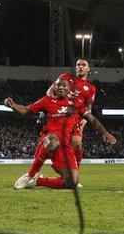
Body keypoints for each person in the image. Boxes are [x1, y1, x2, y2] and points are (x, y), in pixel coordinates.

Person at [4, 76, 116, 189]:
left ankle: (38, 181)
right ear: (54, 88)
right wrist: (13, 105)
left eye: (64, 85)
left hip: (65, 145)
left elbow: (92, 119)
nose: (61, 87)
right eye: (58, 85)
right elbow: (25, 110)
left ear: (69, 89)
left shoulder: (76, 103)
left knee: (72, 182)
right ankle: (29, 175)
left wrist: (105, 133)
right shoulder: (47, 101)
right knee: (52, 142)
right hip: (49, 138)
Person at [15, 59, 96, 188]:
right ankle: (32, 174)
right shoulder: (65, 78)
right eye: (78, 65)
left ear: (88, 69)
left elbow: (88, 109)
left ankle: (73, 176)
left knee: (77, 144)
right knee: (51, 143)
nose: (80, 67)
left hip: (75, 119)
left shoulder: (91, 88)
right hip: (60, 114)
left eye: (83, 65)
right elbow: (49, 92)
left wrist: (83, 123)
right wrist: (53, 105)